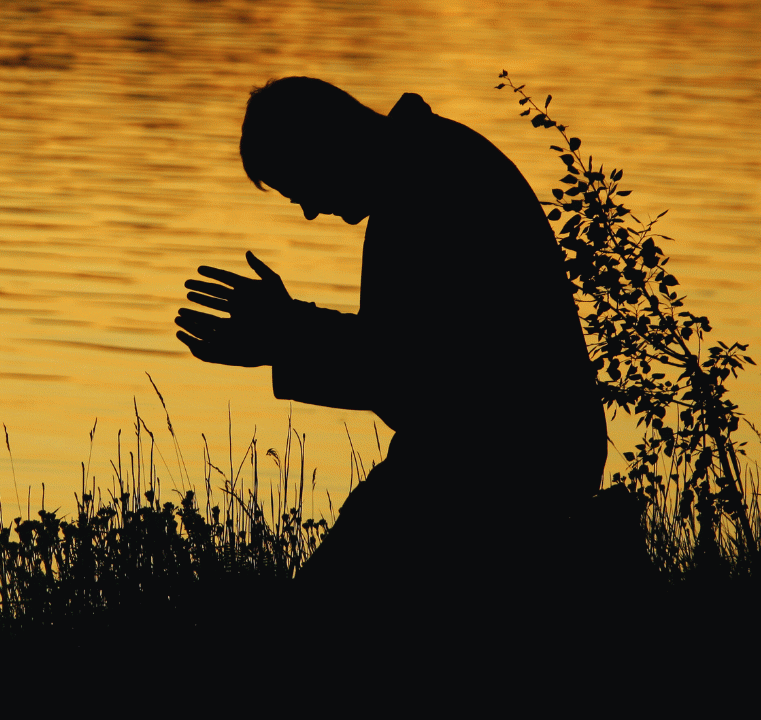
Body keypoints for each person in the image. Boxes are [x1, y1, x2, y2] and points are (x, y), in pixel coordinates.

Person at [174, 77, 608, 619]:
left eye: (299, 185)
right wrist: (288, 332)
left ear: (324, 143)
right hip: (488, 445)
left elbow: (407, 375)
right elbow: (403, 359)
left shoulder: (425, 190)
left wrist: (286, 332)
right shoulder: (424, 166)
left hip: (511, 454)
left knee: (322, 617)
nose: (308, 210)